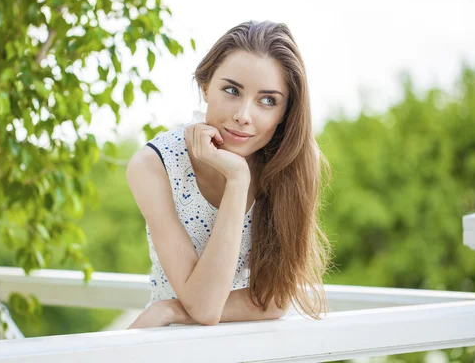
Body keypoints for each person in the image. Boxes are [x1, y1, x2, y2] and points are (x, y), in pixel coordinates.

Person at [125, 20, 332, 329]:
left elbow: (275, 298)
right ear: (205, 87)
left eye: (267, 100)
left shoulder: (294, 165)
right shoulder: (154, 165)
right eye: (232, 90)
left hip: (245, 344)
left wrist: (171, 310)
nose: (243, 116)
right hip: (170, 347)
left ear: (285, 113)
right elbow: (205, 307)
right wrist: (238, 181)